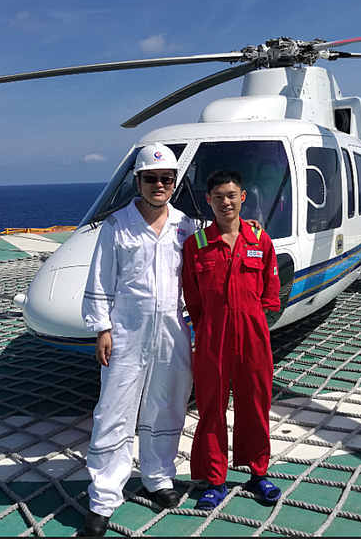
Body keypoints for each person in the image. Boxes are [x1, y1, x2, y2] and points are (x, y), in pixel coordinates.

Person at [81, 143, 197, 536]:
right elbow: (100, 280)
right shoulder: (117, 226)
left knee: (167, 404)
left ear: (174, 182)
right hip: (126, 331)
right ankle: (103, 499)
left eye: (166, 179)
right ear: (138, 181)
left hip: (173, 331)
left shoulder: (186, 226)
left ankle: (158, 477)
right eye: (151, 178)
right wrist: (102, 328)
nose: (158, 185)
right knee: (113, 412)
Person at [182, 170, 281, 510]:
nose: (226, 202)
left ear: (242, 197)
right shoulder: (196, 245)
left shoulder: (260, 240)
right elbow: (193, 298)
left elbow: (270, 289)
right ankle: (215, 480)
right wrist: (209, 326)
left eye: (231, 195)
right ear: (208, 200)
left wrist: (254, 319)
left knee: (256, 403)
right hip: (213, 333)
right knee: (211, 407)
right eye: (218, 197)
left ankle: (258, 473)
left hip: (253, 331)